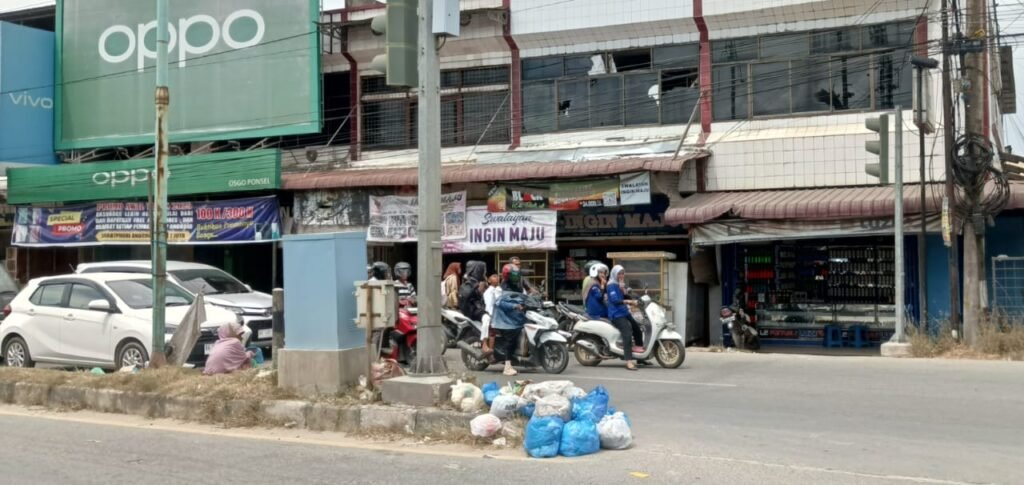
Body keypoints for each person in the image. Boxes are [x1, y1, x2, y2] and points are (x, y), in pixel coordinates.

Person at [607, 265, 639, 371]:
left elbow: (626, 296)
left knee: (637, 328)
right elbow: (615, 300)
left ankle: (641, 357)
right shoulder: (611, 285)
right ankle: (628, 361)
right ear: (614, 274)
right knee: (627, 332)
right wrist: (629, 301)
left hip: (624, 312)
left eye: (622, 273)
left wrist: (634, 296)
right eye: (619, 273)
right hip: (616, 314)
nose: (621, 275)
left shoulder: (620, 284)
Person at [491, 292, 529, 376]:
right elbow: (500, 302)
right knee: (511, 339)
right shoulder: (504, 290)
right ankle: (507, 367)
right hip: (504, 321)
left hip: (515, 319)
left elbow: (526, 298)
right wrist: (514, 306)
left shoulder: (518, 288)